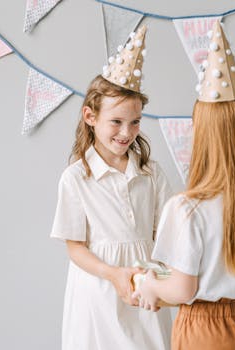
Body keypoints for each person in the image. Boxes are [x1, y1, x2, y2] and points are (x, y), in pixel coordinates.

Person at [133, 21, 235, 350]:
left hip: (206, 332)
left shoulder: (186, 209)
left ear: (202, 136)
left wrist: (147, 284)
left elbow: (181, 289)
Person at [51, 26, 172, 350]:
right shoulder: (77, 178)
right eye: (116, 122)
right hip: (98, 293)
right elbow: (75, 247)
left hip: (145, 288)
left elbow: (165, 235)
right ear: (90, 116)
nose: (126, 132)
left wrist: (165, 280)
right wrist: (113, 273)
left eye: (134, 122)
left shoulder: (151, 174)